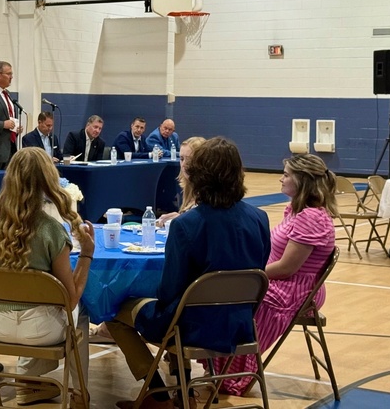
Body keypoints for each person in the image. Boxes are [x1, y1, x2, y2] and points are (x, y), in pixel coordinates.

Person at [106, 138, 270, 409]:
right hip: (242, 324)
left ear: (197, 175)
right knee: (180, 307)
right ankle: (183, 392)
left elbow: (170, 291)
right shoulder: (259, 218)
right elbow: (258, 273)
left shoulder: (186, 225)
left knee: (114, 310)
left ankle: (157, 394)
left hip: (192, 327)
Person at [210, 153, 337, 395]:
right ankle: (220, 363)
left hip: (295, 289)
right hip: (285, 281)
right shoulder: (297, 210)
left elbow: (287, 268)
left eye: (286, 175)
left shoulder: (310, 217)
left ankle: (234, 371)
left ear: (301, 181)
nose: (281, 178)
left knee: (233, 297)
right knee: (227, 292)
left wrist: (246, 274)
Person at [0, 147, 95, 407]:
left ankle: (28, 384)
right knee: (81, 313)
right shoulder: (52, 230)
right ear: (47, 180)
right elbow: (71, 299)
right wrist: (86, 255)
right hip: (41, 329)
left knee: (38, 311)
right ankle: (79, 394)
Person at [156, 137, 207, 226]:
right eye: (182, 159)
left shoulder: (209, 192)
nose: (184, 165)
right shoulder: (189, 188)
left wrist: (182, 219)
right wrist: (179, 216)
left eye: (189, 159)